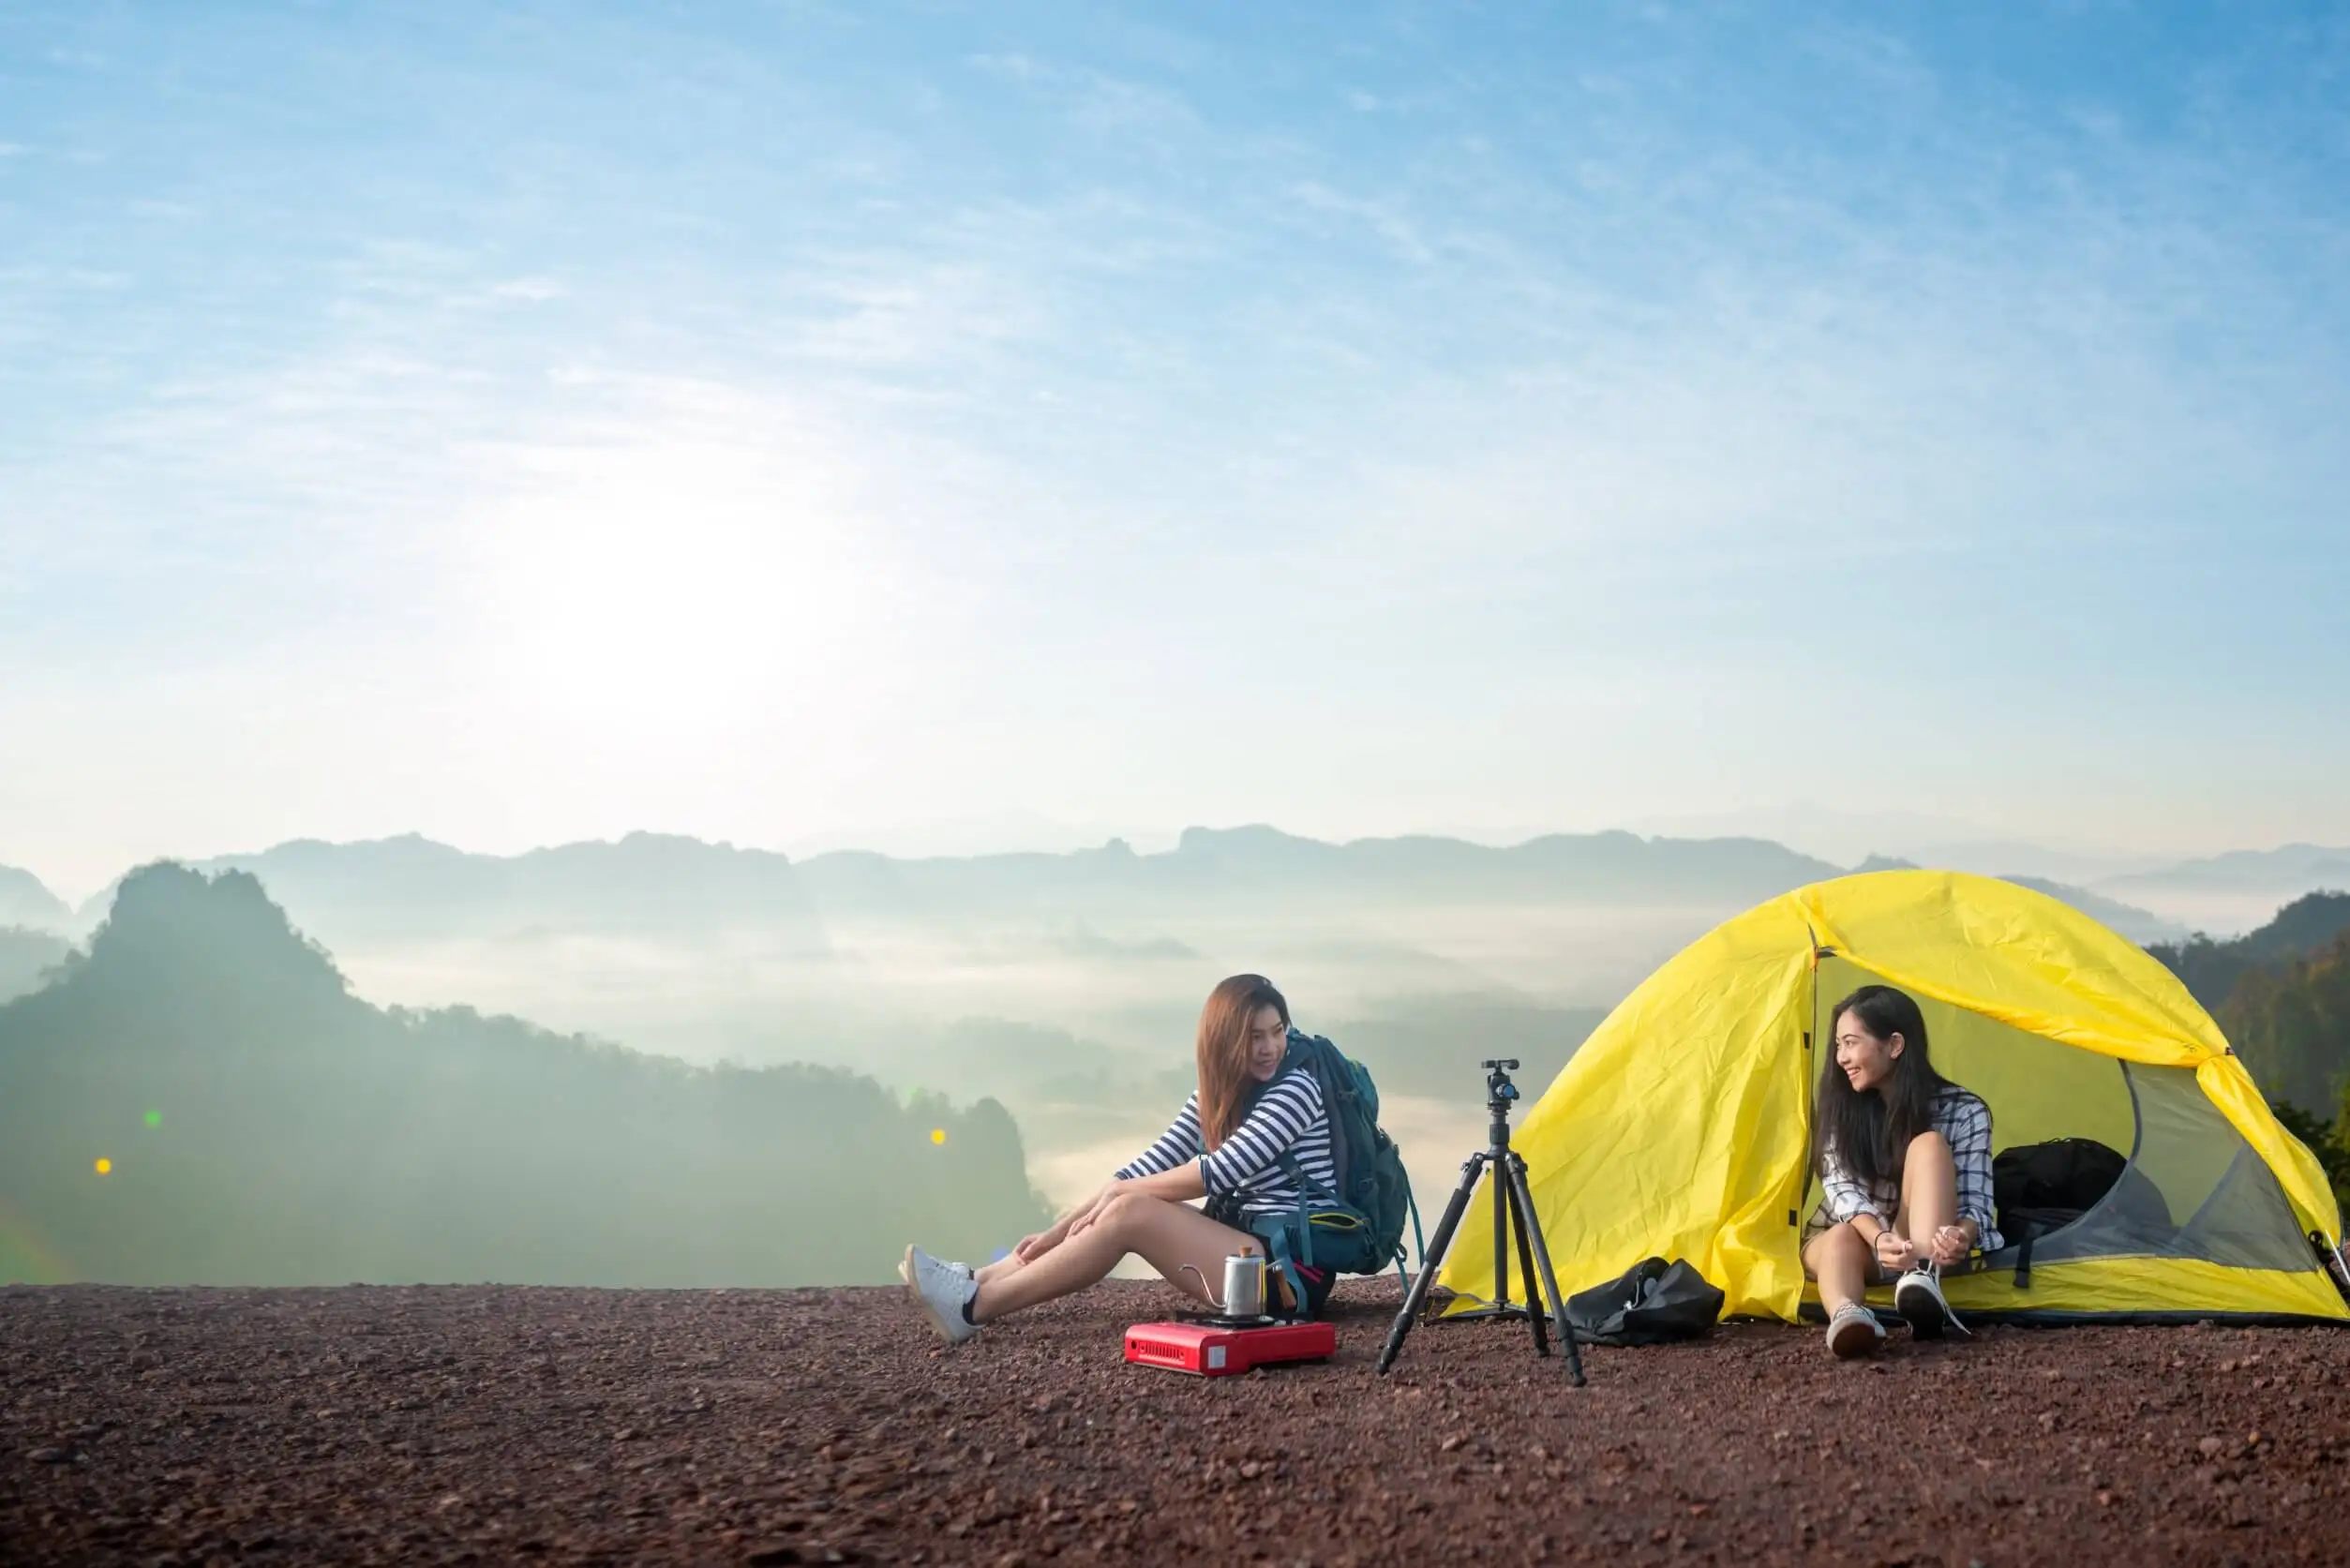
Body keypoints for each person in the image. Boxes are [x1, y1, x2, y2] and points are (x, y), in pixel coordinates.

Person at [902, 973, 1338, 1344]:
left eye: (1277, 1031)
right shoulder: (1216, 1095)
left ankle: (973, 1308)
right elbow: (1148, 1167)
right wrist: (1056, 1232)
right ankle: (976, 1280)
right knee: (1126, 1200)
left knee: (1131, 1211)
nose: (1270, 1047)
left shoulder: (1296, 1090)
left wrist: (1120, 1194)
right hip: (1244, 1249)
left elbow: (1218, 1173)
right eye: (1255, 1037)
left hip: (1290, 1274)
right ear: (1224, 1040)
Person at [1803, 983, 2002, 1358]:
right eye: (1838, 1045)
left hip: (1919, 1243)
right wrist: (1879, 1239)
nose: (1841, 1057)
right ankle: (1848, 1315)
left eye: (1850, 1043)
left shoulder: (1965, 1111)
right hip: (1857, 1240)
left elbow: (1977, 1204)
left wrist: (1960, 1235)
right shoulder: (1840, 1108)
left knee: (1929, 1145)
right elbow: (1844, 1193)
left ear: (1895, 1045)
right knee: (1841, 1236)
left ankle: (1922, 1282)